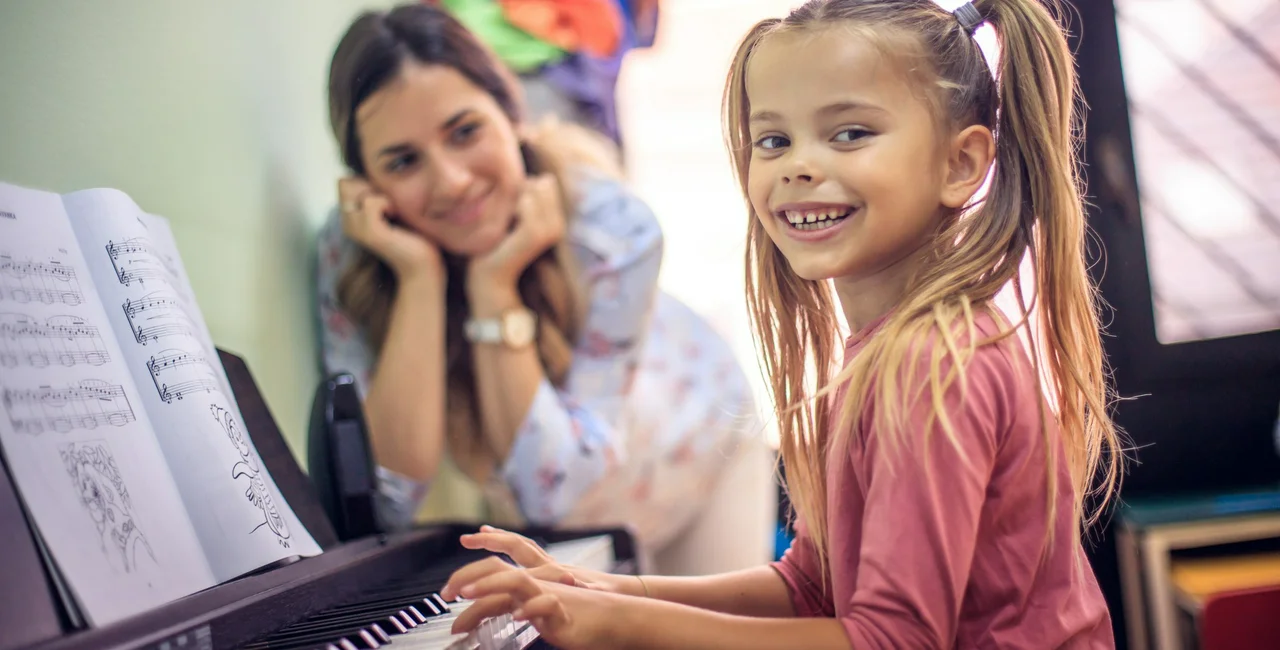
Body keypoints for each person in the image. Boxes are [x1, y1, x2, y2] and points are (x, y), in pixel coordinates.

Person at [439, 0, 1126, 647]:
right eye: (773, 139)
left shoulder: (932, 364)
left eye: (849, 133)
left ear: (961, 163)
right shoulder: (887, 352)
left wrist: (620, 624)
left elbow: (891, 639)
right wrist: (598, 588)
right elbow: (809, 586)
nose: (798, 166)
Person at [315, 3, 774, 573]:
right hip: (566, 519)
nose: (452, 181)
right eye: (404, 161)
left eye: (465, 132)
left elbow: (554, 489)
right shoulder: (354, 253)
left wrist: (494, 291)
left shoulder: (611, 228)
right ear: (367, 185)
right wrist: (419, 281)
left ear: (512, 113)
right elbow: (386, 501)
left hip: (700, 453)